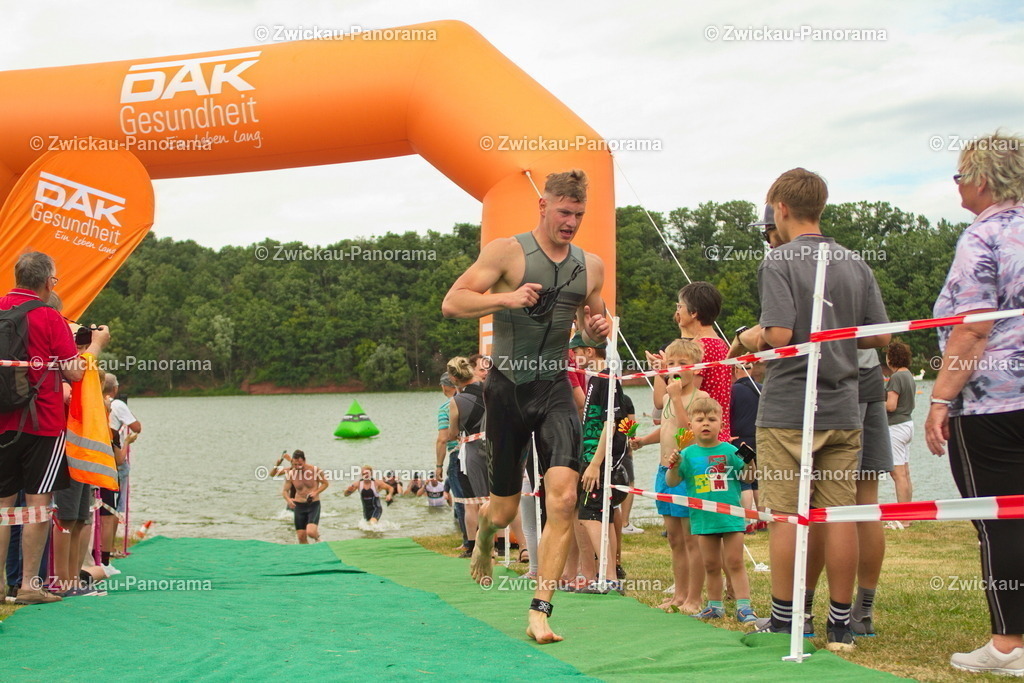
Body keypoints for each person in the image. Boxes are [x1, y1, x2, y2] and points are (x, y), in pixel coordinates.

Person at [441, 169, 609, 643]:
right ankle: (483, 543)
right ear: (543, 206)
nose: (570, 221)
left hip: (555, 386)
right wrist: (508, 298)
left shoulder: (589, 265)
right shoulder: (506, 252)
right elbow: (453, 302)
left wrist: (596, 331)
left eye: (578, 214)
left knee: (564, 497)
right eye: (563, 211)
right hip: (507, 389)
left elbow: (595, 318)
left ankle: (540, 609)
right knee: (502, 506)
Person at [734, 169, 890, 651]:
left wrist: (747, 338)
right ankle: (841, 624)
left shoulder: (778, 260)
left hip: (787, 409)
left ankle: (788, 620)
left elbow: (779, 334)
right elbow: (881, 337)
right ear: (819, 208)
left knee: (785, 514)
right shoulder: (855, 263)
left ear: (780, 209)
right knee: (839, 514)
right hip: (844, 407)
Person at [924, 132, 1024, 675]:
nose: (958, 186)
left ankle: (1009, 643)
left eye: (960, 176)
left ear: (982, 179)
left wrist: (939, 400)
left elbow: (974, 329)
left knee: (1000, 521)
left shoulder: (981, 238)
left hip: (993, 405)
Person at [0, 252, 110, 605]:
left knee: (3, 506)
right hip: (42, 423)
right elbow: (74, 372)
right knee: (38, 505)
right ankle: (30, 586)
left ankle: (1, 586)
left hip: (2, 421)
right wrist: (93, 346)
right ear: (48, 282)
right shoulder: (49, 317)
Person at [631, 339, 708, 613]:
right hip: (664, 471)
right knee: (674, 539)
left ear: (697, 369)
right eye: (672, 364)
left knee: (691, 539)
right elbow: (666, 427)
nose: (676, 369)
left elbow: (690, 434)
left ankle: (695, 598)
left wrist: (676, 397)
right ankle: (679, 594)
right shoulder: (666, 398)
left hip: (687, 474)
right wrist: (643, 440)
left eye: (683, 365)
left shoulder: (701, 399)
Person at [666, 397, 757, 623]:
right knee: (710, 564)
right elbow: (671, 482)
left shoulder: (730, 450)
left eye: (712, 419)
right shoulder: (686, 455)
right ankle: (714, 606)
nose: (705, 423)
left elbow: (748, 477)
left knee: (734, 562)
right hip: (703, 518)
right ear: (691, 426)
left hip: (731, 517)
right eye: (699, 419)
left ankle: (744, 606)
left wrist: (749, 462)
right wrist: (673, 466)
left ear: (722, 425)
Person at [572, 332, 629, 593]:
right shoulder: (595, 378)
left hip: (600, 460)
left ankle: (608, 578)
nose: (573, 357)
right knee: (597, 516)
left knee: (591, 515)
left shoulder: (607, 378)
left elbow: (611, 423)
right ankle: (607, 577)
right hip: (591, 455)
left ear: (591, 351)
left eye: (577, 351)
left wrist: (595, 463)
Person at [446, 356, 488, 558]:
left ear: (454, 378)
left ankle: (472, 545)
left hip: (472, 450)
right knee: (497, 498)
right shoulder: (491, 390)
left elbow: (452, 434)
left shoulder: (456, 401)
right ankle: (510, 545)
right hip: (498, 447)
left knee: (471, 500)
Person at [434, 373, 467, 548]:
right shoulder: (469, 401)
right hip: (475, 451)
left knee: (461, 499)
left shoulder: (445, 407)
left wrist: (439, 466)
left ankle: (468, 541)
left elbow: (442, 439)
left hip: (456, 454)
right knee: (477, 496)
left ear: (444, 386)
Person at [885, 342, 916, 507]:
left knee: (898, 475)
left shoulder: (896, 377)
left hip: (895, 427)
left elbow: (891, 406)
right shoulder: (909, 375)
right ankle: (909, 513)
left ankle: (903, 517)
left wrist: (875, 404)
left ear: (891, 358)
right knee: (905, 473)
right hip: (908, 424)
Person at [281, 451, 327, 543]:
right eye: (295, 464)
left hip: (313, 504)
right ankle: (308, 555)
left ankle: (317, 536)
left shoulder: (315, 470)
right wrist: (289, 500)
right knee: (301, 537)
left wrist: (315, 492)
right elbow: (285, 491)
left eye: (300, 464)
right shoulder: (291, 474)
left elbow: (325, 484)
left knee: (310, 532)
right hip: (299, 506)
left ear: (304, 461)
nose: (298, 467)